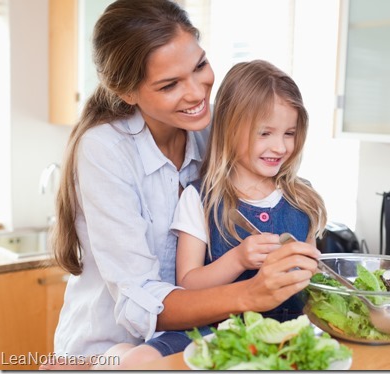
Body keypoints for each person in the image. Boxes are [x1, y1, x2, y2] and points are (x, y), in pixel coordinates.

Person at [40, 0, 320, 370]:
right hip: (108, 351)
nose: (196, 93)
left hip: (195, 343)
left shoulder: (208, 132)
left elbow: (265, 176)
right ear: (127, 92)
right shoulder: (104, 149)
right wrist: (252, 294)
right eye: (170, 84)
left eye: (200, 65)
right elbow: (141, 301)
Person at [95, 59, 329, 368]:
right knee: (137, 360)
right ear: (231, 129)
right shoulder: (201, 198)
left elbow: (313, 279)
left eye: (289, 133)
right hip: (211, 329)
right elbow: (187, 284)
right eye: (265, 133)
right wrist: (238, 260)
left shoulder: (303, 199)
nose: (280, 146)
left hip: (289, 329)